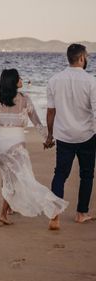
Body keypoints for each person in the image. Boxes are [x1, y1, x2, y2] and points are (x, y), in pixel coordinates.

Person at [0, 69, 68, 225]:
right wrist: (47, 138)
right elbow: (36, 122)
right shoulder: (25, 99)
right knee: (21, 178)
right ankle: (3, 213)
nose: (22, 79)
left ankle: (9, 207)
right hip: (15, 144)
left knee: (7, 175)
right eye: (19, 78)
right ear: (13, 82)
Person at [46, 44, 96, 230]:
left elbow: (51, 112)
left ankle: (54, 216)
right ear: (81, 58)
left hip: (64, 135)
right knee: (86, 175)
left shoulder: (54, 80)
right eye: (87, 56)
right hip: (87, 136)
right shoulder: (91, 81)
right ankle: (81, 213)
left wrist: (49, 136)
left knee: (60, 174)